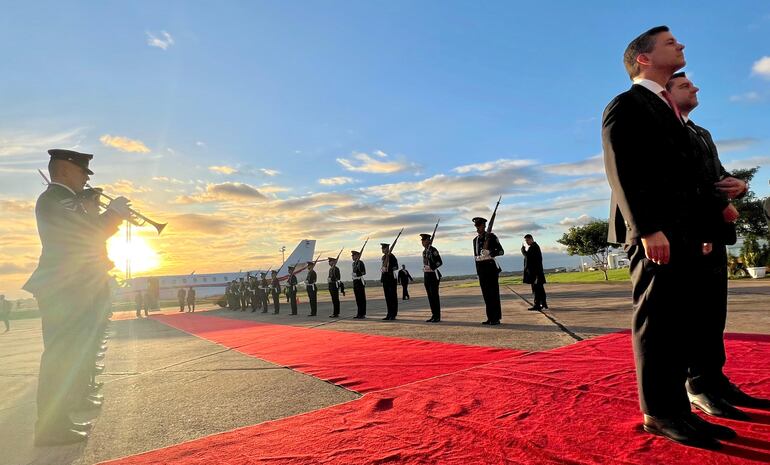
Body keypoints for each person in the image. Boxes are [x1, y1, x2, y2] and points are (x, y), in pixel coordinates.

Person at [602, 26, 734, 449]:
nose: (681, 47)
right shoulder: (629, 104)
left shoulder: (669, 109)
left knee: (680, 325)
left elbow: (687, 174)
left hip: (686, 232)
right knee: (658, 324)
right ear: (643, 58)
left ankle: (679, 406)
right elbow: (623, 170)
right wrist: (647, 228)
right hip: (658, 234)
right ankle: (659, 412)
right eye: (670, 43)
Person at [666, 72, 770, 417]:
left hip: (712, 232)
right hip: (689, 233)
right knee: (693, 316)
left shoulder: (700, 132)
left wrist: (737, 186)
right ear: (665, 94)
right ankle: (695, 385)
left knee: (713, 315)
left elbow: (715, 176)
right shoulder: (666, 131)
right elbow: (678, 185)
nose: (694, 88)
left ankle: (714, 379)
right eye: (684, 85)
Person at [23, 149, 129, 445]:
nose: (85, 178)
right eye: (83, 173)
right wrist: (113, 215)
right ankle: (51, 428)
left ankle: (58, 421)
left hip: (71, 288)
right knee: (61, 358)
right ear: (66, 170)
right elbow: (88, 235)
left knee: (68, 357)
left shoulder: (65, 201)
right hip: (64, 289)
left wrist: (96, 209)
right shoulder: (54, 199)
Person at [472, 217, 504, 325]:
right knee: (486, 295)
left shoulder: (491, 236)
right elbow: (475, 257)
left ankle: (496, 318)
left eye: (479, 226)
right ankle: (490, 317)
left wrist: (490, 253)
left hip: (491, 269)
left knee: (493, 294)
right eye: (476, 226)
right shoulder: (475, 240)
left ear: (484, 226)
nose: (478, 228)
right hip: (481, 270)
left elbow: (501, 251)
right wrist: (478, 272)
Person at [420, 234, 443, 322]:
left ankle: (437, 316)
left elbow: (439, 262)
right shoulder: (424, 251)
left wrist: (432, 267)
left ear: (429, 240)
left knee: (434, 296)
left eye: (424, 240)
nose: (423, 242)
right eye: (422, 241)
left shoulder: (433, 250)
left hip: (434, 275)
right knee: (430, 297)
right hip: (427, 275)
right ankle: (433, 315)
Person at [521, 234, 547, 310]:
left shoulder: (534, 247)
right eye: (526, 241)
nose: (527, 242)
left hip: (535, 273)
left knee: (537, 289)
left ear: (531, 239)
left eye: (527, 240)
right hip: (537, 272)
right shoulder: (534, 247)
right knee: (540, 289)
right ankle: (543, 304)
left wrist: (523, 250)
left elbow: (528, 257)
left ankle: (537, 305)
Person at [380, 243, 399, 320]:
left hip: (391, 279)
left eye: (384, 248)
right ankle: (389, 313)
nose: (383, 249)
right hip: (385, 279)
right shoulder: (384, 257)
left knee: (392, 297)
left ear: (388, 248)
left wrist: (388, 269)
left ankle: (393, 314)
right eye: (382, 248)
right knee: (387, 298)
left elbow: (396, 267)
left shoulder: (392, 256)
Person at [351, 250, 367, 319]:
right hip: (355, 282)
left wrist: (357, 274)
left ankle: (362, 314)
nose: (352, 257)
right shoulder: (353, 264)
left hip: (360, 281)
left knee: (361, 298)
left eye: (354, 255)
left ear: (357, 256)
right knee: (357, 299)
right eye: (352, 256)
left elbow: (364, 272)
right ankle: (359, 313)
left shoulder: (360, 263)